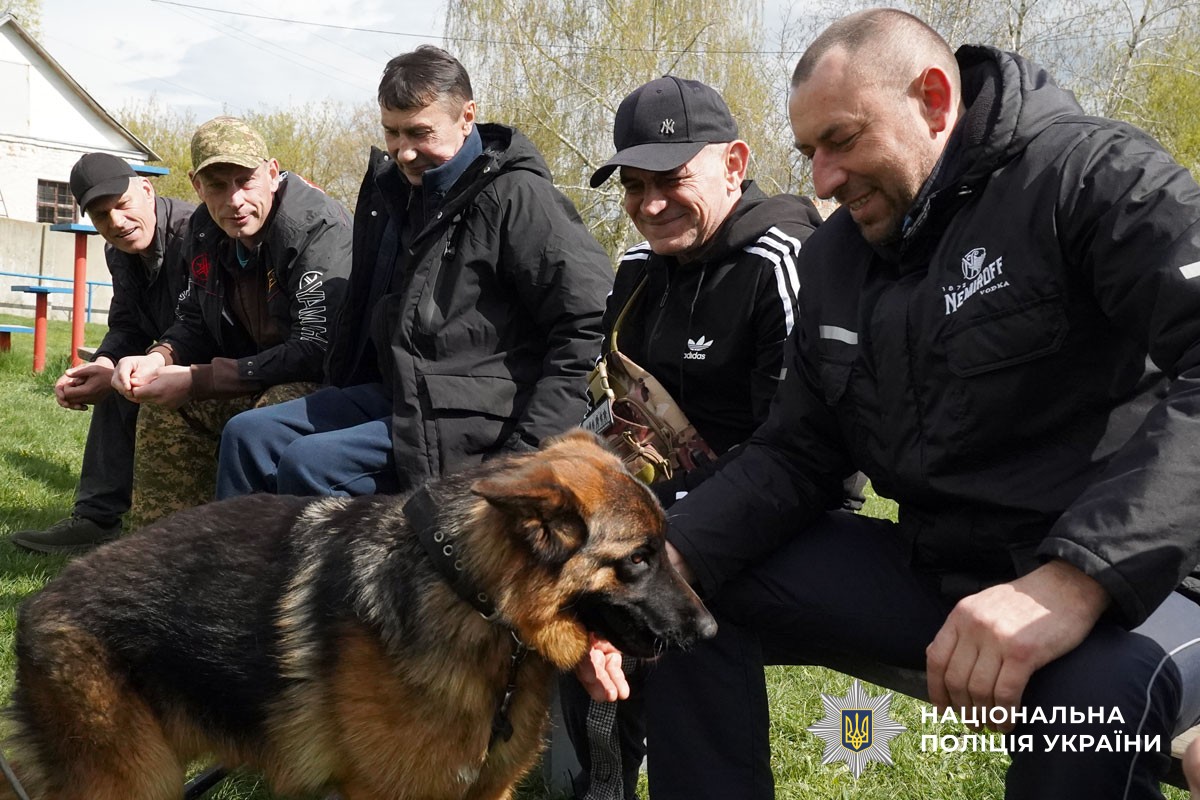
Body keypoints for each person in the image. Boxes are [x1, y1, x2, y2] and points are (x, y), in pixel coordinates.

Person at [576, 9, 1200, 800]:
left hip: (1133, 582)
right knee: (680, 596)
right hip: (941, 570)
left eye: (841, 141)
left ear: (934, 100)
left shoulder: (1090, 176)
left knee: (1098, 699)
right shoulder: (838, 257)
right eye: (809, 154)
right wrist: (663, 560)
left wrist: (1076, 580)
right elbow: (796, 453)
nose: (823, 181)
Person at [559, 75, 830, 800]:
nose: (650, 205)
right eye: (634, 186)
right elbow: (615, 411)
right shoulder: (638, 271)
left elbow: (801, 448)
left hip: (779, 513)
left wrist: (655, 522)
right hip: (663, 503)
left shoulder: (785, 257)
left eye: (672, 180)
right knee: (562, 560)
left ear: (734, 164)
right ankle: (602, 782)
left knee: (651, 588)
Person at [214, 46, 611, 499]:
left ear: (467, 116)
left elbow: (589, 320)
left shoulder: (519, 197)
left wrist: (533, 449)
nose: (404, 153)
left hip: (478, 414)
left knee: (312, 464)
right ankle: (241, 570)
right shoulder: (393, 196)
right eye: (392, 133)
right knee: (248, 436)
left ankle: (319, 572)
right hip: (400, 392)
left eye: (420, 133)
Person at [112, 116, 351, 528]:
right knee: (165, 409)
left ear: (272, 173)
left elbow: (316, 349)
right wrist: (160, 356)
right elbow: (193, 318)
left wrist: (200, 379)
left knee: (262, 419)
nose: (234, 200)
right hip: (254, 376)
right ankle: (164, 560)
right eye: (219, 186)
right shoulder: (203, 230)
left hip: (327, 388)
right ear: (196, 186)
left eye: (246, 180)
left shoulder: (315, 228)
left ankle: (237, 560)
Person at [10, 154, 195, 553]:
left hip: (222, 355)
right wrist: (104, 363)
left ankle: (167, 527)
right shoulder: (120, 250)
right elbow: (127, 323)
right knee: (119, 377)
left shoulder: (196, 234)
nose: (116, 223)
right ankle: (95, 519)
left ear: (147, 190)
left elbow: (204, 322)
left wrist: (156, 359)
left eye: (122, 205)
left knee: (136, 375)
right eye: (101, 215)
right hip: (167, 353)